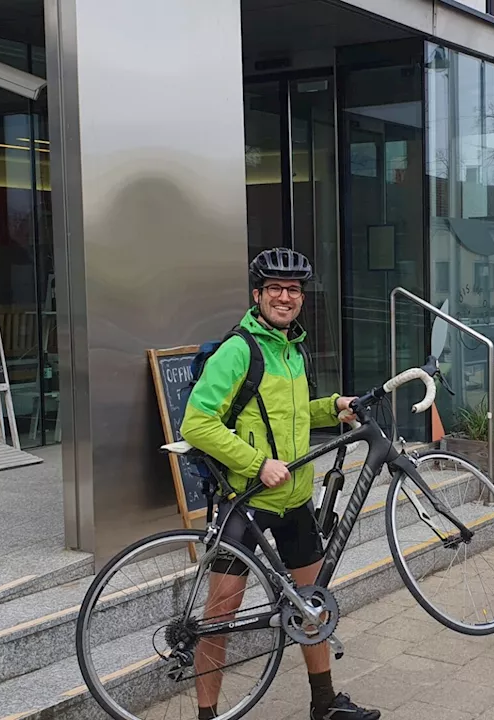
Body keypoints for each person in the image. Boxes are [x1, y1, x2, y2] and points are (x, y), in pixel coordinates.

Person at [181, 248, 379, 720]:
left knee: (313, 607)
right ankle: (208, 715)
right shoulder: (239, 350)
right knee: (218, 618)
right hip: (247, 499)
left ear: (301, 299)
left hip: (296, 499)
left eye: (293, 290)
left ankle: (325, 703)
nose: (284, 297)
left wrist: (333, 405)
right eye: (275, 289)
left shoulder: (294, 349)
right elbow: (196, 422)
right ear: (258, 295)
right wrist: (256, 464)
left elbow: (292, 415)